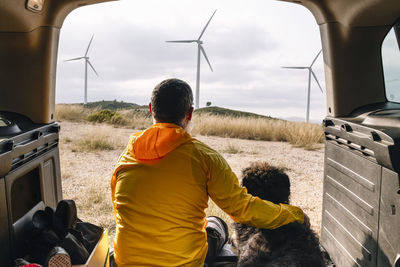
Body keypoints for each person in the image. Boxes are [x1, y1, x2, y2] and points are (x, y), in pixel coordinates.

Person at [110, 78, 305, 267]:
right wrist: (294, 214)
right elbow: (241, 209)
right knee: (216, 224)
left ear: (151, 109)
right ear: (190, 113)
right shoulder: (204, 157)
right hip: (184, 263)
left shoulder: (126, 157)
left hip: (126, 262)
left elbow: (120, 212)